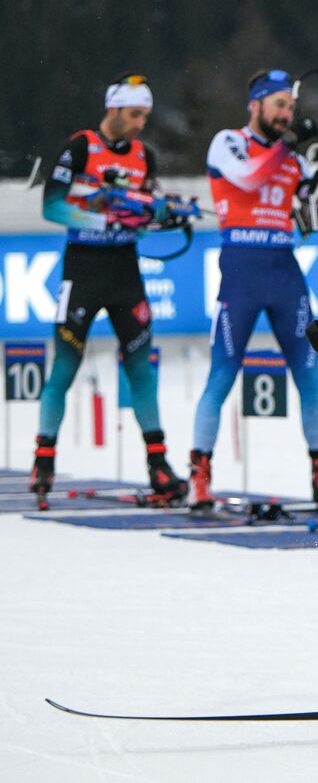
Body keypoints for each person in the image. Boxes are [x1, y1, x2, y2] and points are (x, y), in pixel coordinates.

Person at [31, 74, 186, 503]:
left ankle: (158, 463)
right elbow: (52, 206)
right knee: (64, 367)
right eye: (134, 114)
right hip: (82, 270)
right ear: (113, 109)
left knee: (140, 368)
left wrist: (162, 216)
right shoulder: (79, 147)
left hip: (125, 273)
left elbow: (143, 213)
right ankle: (43, 459)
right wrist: (104, 220)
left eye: (146, 116)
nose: (140, 123)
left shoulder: (144, 156)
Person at [190, 69, 318, 509]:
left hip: (283, 269)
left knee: (309, 374)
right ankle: (199, 474)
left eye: (290, 108)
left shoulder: (291, 157)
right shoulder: (229, 142)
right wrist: (290, 148)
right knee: (222, 373)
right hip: (241, 268)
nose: (286, 114)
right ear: (255, 104)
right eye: (279, 105)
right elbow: (251, 177)